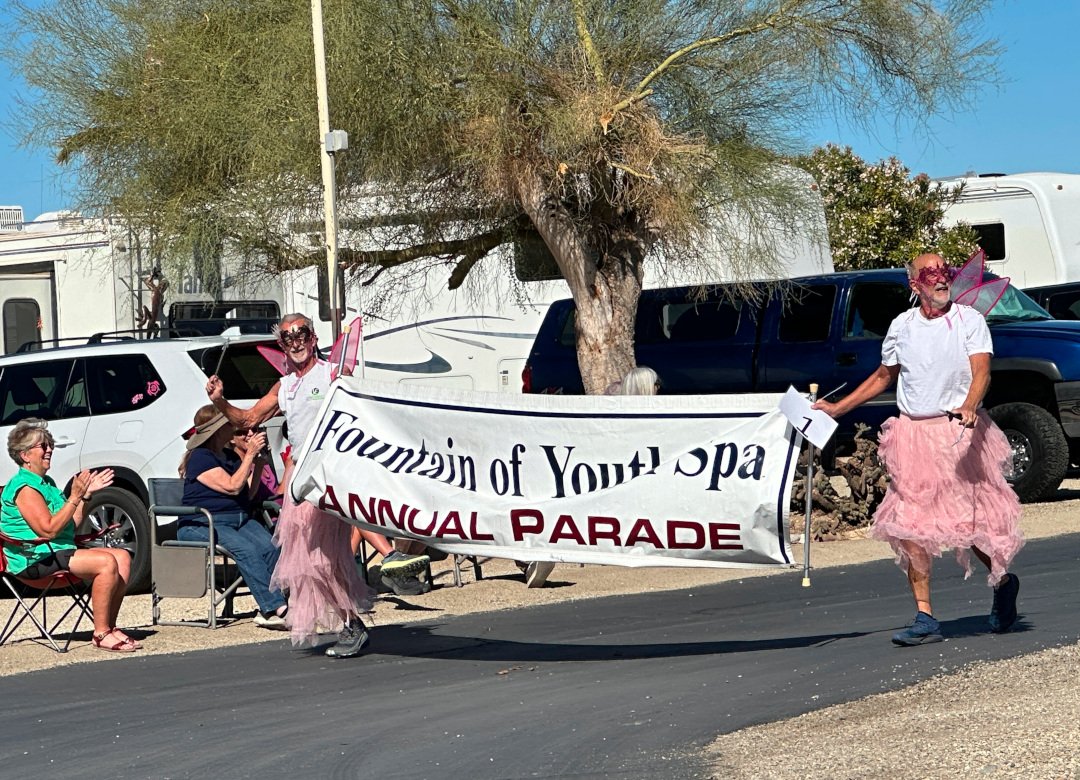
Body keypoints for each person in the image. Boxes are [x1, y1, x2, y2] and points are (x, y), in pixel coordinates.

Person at [813, 252, 1023, 646]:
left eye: (945, 272)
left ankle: (1003, 581)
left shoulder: (969, 321)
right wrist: (837, 408)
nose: (942, 280)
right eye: (931, 274)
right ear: (915, 285)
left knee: (970, 527)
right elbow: (883, 376)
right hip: (911, 437)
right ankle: (925, 617)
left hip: (957, 435)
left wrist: (970, 404)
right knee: (909, 526)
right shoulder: (902, 326)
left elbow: (981, 372)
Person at [205, 313, 429, 657]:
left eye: (301, 334)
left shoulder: (332, 374)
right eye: (287, 337)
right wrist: (220, 400)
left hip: (333, 470)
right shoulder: (285, 386)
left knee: (328, 545)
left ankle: (387, 565)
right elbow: (247, 419)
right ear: (281, 346)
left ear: (313, 339)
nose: (295, 341)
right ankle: (354, 620)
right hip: (302, 480)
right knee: (315, 563)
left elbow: (361, 410)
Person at [0, 419, 140, 652]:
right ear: (25, 455)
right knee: (106, 562)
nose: (49, 450)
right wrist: (74, 496)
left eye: (49, 445)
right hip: (34, 559)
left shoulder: (47, 483)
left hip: (57, 552)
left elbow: (70, 525)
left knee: (122, 557)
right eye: (43, 446)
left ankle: (109, 626)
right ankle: (100, 633)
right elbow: (48, 530)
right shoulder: (25, 488)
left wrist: (85, 496)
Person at [178, 405, 288, 630]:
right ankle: (274, 607)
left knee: (271, 546)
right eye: (230, 424)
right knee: (246, 550)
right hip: (203, 522)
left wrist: (257, 463)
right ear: (218, 430)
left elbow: (248, 492)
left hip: (238, 517)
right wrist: (249, 455)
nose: (237, 428)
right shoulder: (200, 457)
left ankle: (274, 605)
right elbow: (231, 486)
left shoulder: (227, 455)